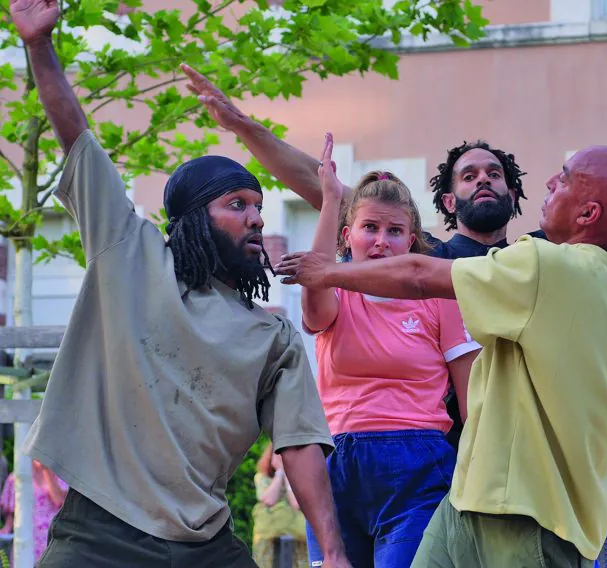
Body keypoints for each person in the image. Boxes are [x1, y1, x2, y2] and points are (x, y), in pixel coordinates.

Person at [182, 39, 607, 446]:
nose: (484, 178)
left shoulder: (540, 260)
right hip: (441, 449)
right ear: (449, 202)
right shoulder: (425, 256)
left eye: (495, 174)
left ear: (514, 192)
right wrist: (242, 126)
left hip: (525, 452)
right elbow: (320, 183)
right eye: (468, 175)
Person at [10, 1, 351, 566]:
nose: (257, 219)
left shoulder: (272, 336)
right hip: (101, 536)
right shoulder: (129, 251)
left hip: (205, 544)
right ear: (192, 218)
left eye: (260, 207)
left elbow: (299, 444)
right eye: (237, 204)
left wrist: (334, 554)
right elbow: (77, 138)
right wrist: (40, 47)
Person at [274, 141, 607, 566]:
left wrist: (328, 270)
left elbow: (419, 273)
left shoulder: (543, 264)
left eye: (565, 178)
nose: (550, 181)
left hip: (525, 515)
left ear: (588, 214)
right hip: (468, 500)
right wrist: (604, 471)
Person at [302, 134, 479, 567]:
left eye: (395, 231)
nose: (382, 240)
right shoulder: (337, 293)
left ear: (412, 241)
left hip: (417, 469)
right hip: (336, 469)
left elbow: (473, 403)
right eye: (370, 228)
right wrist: (329, 199)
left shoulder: (441, 298)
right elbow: (314, 289)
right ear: (348, 236)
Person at [252, 444, 308, 568]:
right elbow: (269, 500)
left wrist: (288, 475)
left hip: (298, 537)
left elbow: (296, 503)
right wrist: (280, 473)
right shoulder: (262, 477)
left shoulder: (302, 477)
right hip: (269, 537)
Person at [0, 461, 68, 562]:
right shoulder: (18, 477)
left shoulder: (60, 476)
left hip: (51, 540)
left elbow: (59, 500)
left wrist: (46, 471)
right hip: (26, 541)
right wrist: (7, 528)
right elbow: (12, 510)